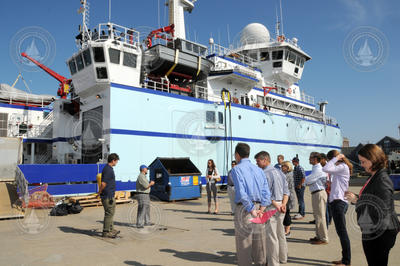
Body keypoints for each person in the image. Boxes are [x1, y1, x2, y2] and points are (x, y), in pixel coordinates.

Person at [345, 144, 400, 266]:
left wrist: (357, 201)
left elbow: (382, 210)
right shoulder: (375, 176)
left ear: (374, 159)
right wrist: (357, 197)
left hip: (381, 232)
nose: (362, 165)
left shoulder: (382, 180)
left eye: (364, 161)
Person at [231, 143, 271, 266]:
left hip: (245, 209)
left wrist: (252, 209)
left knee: (244, 244)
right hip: (260, 208)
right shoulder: (259, 169)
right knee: (259, 242)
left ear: (237, 155)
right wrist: (262, 209)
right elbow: (266, 192)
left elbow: (242, 192)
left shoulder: (236, 169)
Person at [255, 151, 289, 265]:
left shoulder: (265, 174)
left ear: (265, 160)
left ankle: (273, 263)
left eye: (258, 161)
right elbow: (286, 192)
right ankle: (283, 258)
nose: (257, 163)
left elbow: (266, 195)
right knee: (281, 234)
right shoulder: (280, 172)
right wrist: (283, 204)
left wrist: (276, 205)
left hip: (271, 207)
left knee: (272, 237)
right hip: (281, 206)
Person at [323, 150, 352, 266]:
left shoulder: (343, 167)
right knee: (341, 232)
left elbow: (325, 168)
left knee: (342, 233)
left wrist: (337, 157)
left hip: (339, 203)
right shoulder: (340, 168)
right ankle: (345, 259)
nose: (330, 162)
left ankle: (346, 261)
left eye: (330, 159)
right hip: (337, 202)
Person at [305, 152, 328, 245]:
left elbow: (308, 180)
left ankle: (323, 238)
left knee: (320, 216)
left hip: (319, 193)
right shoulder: (315, 168)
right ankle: (319, 236)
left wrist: (305, 180)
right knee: (317, 216)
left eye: (310, 158)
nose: (309, 159)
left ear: (315, 159)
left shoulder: (318, 169)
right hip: (316, 193)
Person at [98, 153, 120, 238]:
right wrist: (99, 192)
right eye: (116, 161)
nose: (117, 163)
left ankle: (111, 229)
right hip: (107, 196)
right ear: (113, 160)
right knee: (109, 213)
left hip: (110, 195)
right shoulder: (108, 169)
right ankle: (106, 232)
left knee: (111, 213)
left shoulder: (109, 168)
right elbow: (103, 184)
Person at [281, 161, 296, 236]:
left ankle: (287, 231)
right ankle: (285, 229)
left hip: (287, 197)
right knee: (284, 213)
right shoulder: (284, 174)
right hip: (285, 196)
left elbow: (288, 188)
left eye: (283, 166)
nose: (281, 167)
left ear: (287, 167)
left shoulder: (288, 175)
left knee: (286, 214)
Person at [320, 153, 333, 227]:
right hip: (323, 187)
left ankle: (328, 221)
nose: (319, 161)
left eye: (320, 159)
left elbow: (330, 178)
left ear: (324, 159)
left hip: (328, 188)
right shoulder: (320, 166)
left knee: (328, 206)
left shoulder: (329, 167)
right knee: (323, 206)